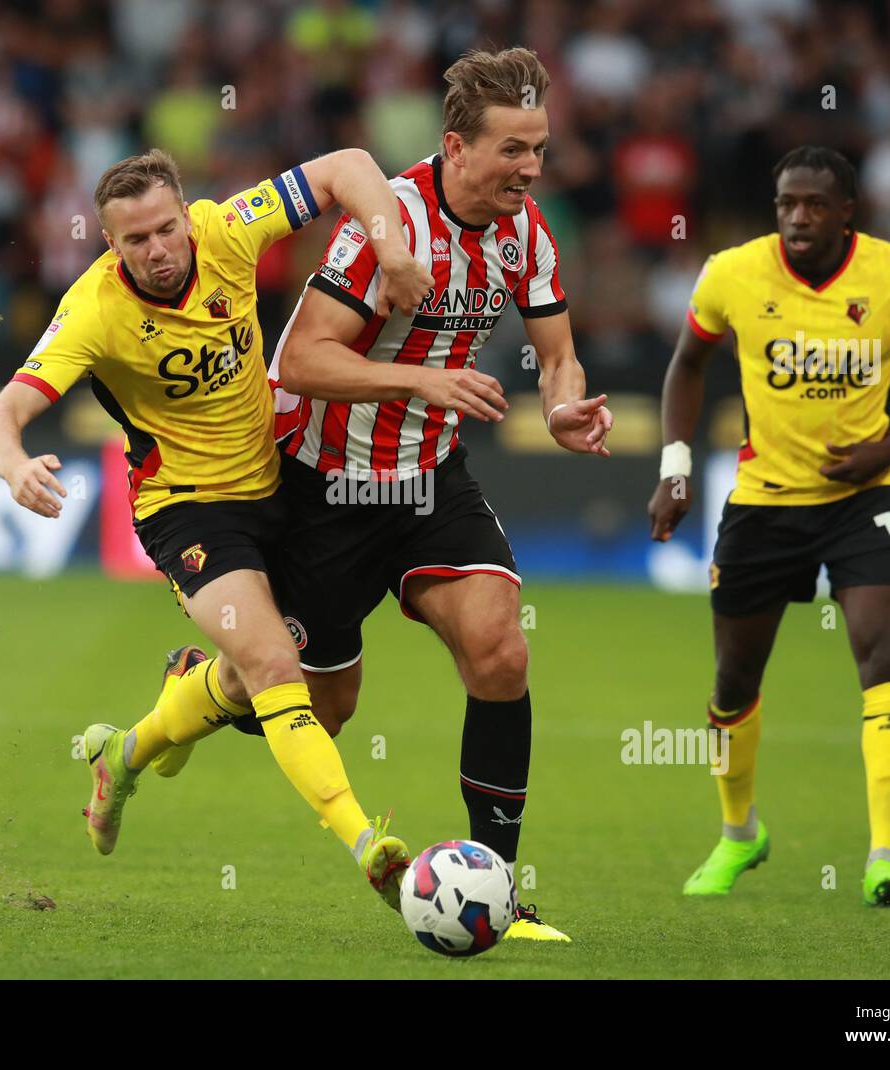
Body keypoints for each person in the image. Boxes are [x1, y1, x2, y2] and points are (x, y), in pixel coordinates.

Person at [0, 146, 435, 911]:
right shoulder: (94, 311)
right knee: (270, 663)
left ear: (186, 216)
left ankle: (125, 754)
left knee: (326, 704)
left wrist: (390, 249)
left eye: (165, 230)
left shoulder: (227, 230)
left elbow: (351, 166)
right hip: (187, 510)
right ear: (108, 242)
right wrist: (15, 465)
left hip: (282, 482)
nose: (156, 251)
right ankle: (370, 846)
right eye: (134, 240)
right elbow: (1, 416)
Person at [264, 47, 614, 941]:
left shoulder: (527, 231)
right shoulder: (389, 224)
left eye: (538, 148)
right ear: (456, 146)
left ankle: (497, 884)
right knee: (324, 711)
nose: (530, 169)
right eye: (512, 150)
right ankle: (205, 691)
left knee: (500, 651)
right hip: (324, 487)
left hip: (429, 481)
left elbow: (558, 351)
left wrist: (566, 404)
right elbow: (302, 358)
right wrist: (420, 379)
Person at [647, 146, 890, 909]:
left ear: (848, 209)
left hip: (866, 498)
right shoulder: (733, 273)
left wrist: (889, 445)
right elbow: (687, 365)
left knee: (883, 658)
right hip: (765, 501)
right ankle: (740, 835)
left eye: (815, 203)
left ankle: (886, 856)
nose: (798, 218)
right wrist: (676, 468)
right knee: (732, 682)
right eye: (787, 204)